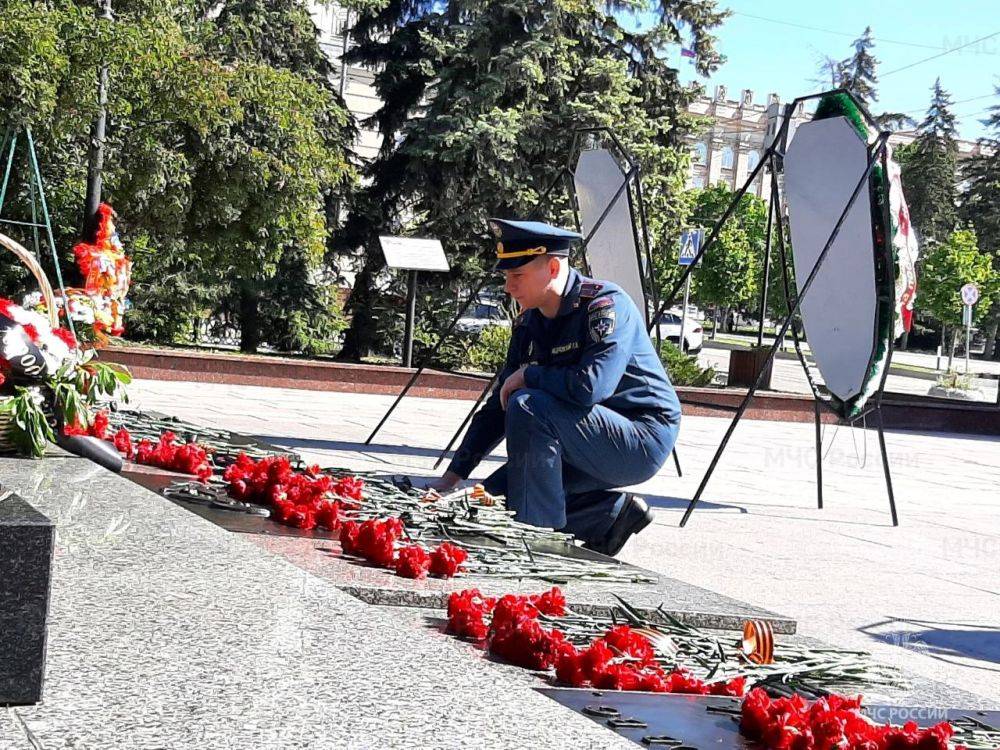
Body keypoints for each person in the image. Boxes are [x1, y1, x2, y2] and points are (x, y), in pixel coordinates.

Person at [428, 218, 681, 556]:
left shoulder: (604, 306)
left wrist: (529, 375)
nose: (508, 287)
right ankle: (612, 515)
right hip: (576, 434)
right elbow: (497, 406)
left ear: (551, 267)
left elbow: (591, 387)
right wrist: (452, 476)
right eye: (506, 277)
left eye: (517, 276)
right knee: (487, 502)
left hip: (638, 438)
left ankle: (535, 542)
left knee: (528, 404)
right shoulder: (529, 321)